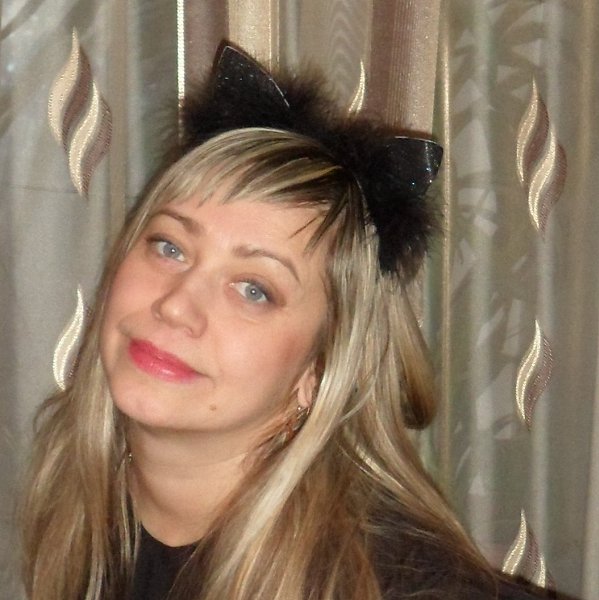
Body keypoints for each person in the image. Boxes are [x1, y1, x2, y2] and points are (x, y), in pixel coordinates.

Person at [21, 43, 563, 600]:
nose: (176, 305)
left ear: (316, 372)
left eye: (254, 290)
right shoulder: (77, 498)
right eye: (170, 247)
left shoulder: (399, 587)